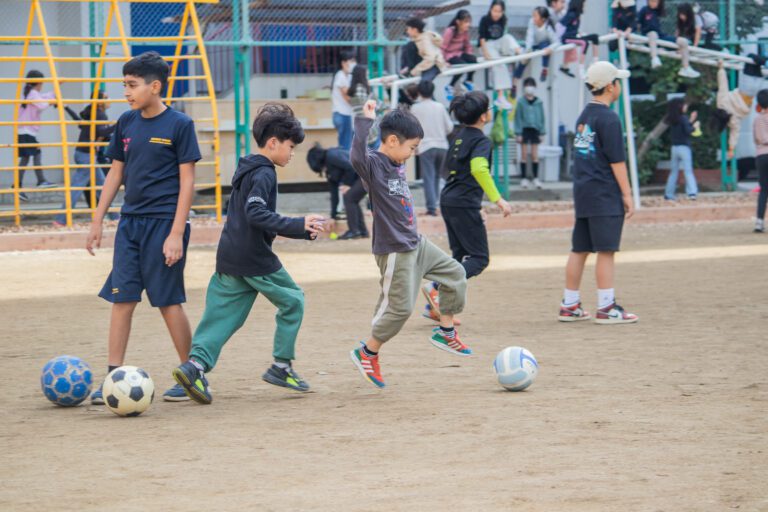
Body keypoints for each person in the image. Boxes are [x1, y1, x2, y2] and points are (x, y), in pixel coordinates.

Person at [171, 103, 325, 403]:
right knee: (294, 301)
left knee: (222, 318)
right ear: (273, 143)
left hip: (230, 254)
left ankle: (193, 369)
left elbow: (251, 213)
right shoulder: (265, 173)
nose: (292, 153)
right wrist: (299, 225)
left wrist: (298, 228)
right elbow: (256, 212)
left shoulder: (248, 167)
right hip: (255, 258)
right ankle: (281, 365)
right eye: (291, 146)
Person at [85, 51, 202, 403]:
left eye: (132, 85)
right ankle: (111, 378)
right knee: (123, 301)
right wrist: (97, 220)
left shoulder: (180, 125)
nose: (126, 92)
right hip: (130, 226)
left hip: (164, 225)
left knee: (168, 302)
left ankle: (192, 374)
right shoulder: (125, 123)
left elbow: (187, 183)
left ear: (155, 86)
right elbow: (115, 174)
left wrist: (176, 233)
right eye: (124, 85)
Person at [349, 100, 471, 389]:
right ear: (392, 141)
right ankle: (368, 352)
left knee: (455, 274)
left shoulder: (395, 160)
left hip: (416, 242)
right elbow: (356, 156)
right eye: (411, 148)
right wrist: (366, 121)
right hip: (394, 249)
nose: (412, 154)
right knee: (400, 309)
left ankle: (446, 330)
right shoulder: (375, 164)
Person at [558, 61, 638, 325]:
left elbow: (582, 156)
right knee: (606, 250)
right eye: (617, 82)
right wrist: (627, 195)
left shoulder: (584, 117)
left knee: (579, 248)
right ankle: (606, 306)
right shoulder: (609, 119)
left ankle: (569, 304)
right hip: (604, 194)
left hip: (584, 191)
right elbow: (617, 161)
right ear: (611, 86)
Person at [426, 91, 512, 322]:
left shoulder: (458, 137)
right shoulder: (481, 141)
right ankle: (436, 288)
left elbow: (451, 171)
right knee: (479, 258)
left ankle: (439, 308)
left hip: (449, 200)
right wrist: (497, 199)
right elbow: (478, 169)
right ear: (483, 117)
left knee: (459, 255)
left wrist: (476, 203)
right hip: (462, 202)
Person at [54, 91, 118, 226]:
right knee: (77, 187)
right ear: (100, 102)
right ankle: (61, 219)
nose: (109, 100)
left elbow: (80, 123)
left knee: (102, 186)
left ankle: (114, 216)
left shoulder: (92, 112)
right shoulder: (99, 114)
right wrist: (118, 125)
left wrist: (66, 107)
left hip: (83, 153)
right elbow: (101, 132)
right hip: (86, 155)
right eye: (107, 98)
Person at [410, 80, 453, 216]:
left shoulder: (415, 108)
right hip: (442, 145)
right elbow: (450, 127)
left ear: (419, 92)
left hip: (426, 146)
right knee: (437, 176)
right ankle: (436, 203)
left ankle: (431, 208)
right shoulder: (440, 106)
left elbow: (411, 129)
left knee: (428, 177)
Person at [307, 143, 367, 239]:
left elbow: (350, 167)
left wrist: (347, 184)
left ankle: (354, 231)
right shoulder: (329, 170)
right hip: (361, 175)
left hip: (365, 172)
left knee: (349, 197)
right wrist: (333, 216)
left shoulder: (331, 155)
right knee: (351, 198)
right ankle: (362, 231)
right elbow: (334, 194)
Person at [16, 69, 56, 201]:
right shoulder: (32, 93)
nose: (42, 85)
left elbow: (44, 97)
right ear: (38, 82)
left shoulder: (30, 93)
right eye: (42, 82)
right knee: (32, 155)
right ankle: (39, 181)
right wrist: (52, 100)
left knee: (28, 157)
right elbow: (42, 104)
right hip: (26, 131)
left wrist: (56, 88)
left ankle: (19, 185)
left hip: (26, 131)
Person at [479, 0, 522, 110]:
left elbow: (503, 37)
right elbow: (482, 39)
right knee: (500, 65)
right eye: (495, 10)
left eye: (499, 11)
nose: (497, 13)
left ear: (503, 12)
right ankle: (500, 97)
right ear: (490, 9)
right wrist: (486, 53)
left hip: (499, 44)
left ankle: (519, 52)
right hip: (487, 45)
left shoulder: (503, 20)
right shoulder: (485, 20)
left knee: (508, 37)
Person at [513, 6, 558, 92]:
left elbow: (556, 42)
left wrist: (550, 48)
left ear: (543, 19)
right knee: (523, 61)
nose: (533, 18)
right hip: (533, 45)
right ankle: (515, 84)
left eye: (535, 16)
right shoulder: (531, 22)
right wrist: (527, 51)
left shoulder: (548, 27)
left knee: (545, 45)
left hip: (544, 46)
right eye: (533, 15)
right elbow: (529, 37)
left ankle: (545, 69)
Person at [514, 77, 546, 189]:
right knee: (523, 155)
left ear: (535, 87)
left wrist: (542, 132)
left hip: (535, 130)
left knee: (534, 155)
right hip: (524, 130)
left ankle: (535, 178)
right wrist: (518, 133)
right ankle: (524, 178)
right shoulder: (521, 102)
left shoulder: (539, 102)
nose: (529, 87)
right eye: (527, 85)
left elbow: (542, 118)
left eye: (531, 85)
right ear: (524, 88)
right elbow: (517, 118)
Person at [663, 98, 699, 201]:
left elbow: (684, 127)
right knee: (688, 171)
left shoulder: (672, 119)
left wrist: (691, 120)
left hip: (674, 148)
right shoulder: (683, 118)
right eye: (684, 105)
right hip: (684, 148)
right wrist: (695, 126)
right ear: (680, 107)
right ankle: (692, 193)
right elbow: (688, 131)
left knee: (673, 172)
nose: (686, 107)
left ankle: (668, 194)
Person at [716, 60, 752, 160]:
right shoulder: (720, 104)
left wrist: (731, 148)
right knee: (749, 69)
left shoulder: (732, 121)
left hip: (747, 101)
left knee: (754, 76)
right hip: (741, 93)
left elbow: (734, 134)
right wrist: (721, 69)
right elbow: (722, 85)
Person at [557, 0, 601, 78]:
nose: (585, 7)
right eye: (584, 5)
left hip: (574, 36)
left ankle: (595, 62)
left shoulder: (577, 16)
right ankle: (581, 69)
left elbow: (574, 29)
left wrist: (579, 33)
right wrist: (559, 39)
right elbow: (559, 25)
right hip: (566, 38)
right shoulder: (571, 15)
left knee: (595, 37)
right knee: (584, 42)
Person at [441, 9, 477, 100]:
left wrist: (469, 55)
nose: (468, 24)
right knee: (461, 66)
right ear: (458, 22)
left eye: (469, 22)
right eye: (465, 22)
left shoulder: (465, 32)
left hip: (459, 53)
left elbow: (467, 46)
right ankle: (450, 86)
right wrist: (443, 61)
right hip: (449, 55)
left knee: (473, 60)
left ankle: (468, 80)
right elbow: (442, 48)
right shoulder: (450, 31)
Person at [403, 17, 447, 83]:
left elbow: (430, 59)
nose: (407, 31)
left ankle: (410, 71)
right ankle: (408, 69)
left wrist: (414, 71)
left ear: (415, 30)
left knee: (424, 84)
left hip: (434, 64)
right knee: (410, 45)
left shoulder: (424, 41)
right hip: (428, 63)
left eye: (408, 29)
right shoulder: (418, 38)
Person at [332, 50, 356, 150]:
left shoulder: (349, 76)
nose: (353, 63)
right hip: (342, 114)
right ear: (343, 63)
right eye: (351, 61)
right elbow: (347, 97)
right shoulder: (340, 75)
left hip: (347, 114)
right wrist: (361, 105)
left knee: (348, 144)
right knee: (345, 146)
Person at [637, 0, 669, 69]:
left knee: (673, 39)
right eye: (652, 1)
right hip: (648, 34)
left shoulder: (657, 11)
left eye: (656, 2)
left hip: (659, 35)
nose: (654, 3)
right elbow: (637, 23)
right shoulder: (644, 9)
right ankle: (654, 58)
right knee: (653, 34)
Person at [753, 89, 768, 233]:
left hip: (761, 155)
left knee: (764, 189)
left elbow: (756, 138)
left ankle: (759, 222)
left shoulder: (757, 119)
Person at [675, 2, 702, 79]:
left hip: (698, 36)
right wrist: (677, 47)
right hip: (687, 38)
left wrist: (695, 46)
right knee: (683, 41)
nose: (681, 17)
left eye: (683, 14)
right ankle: (684, 67)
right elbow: (678, 32)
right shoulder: (680, 20)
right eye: (680, 14)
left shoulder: (696, 18)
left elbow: (698, 33)